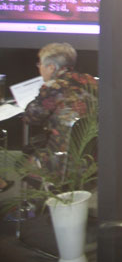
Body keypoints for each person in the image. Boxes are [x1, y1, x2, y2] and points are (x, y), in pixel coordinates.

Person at [23, 42, 97, 171]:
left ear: (51, 67)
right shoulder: (91, 81)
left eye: (40, 64)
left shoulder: (54, 87)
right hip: (93, 158)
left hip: (62, 161)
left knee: (21, 161)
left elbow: (30, 118)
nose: (39, 67)